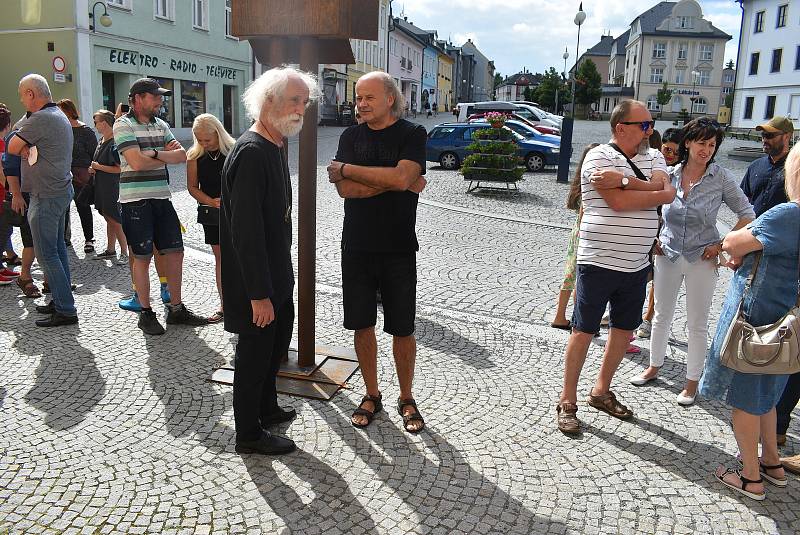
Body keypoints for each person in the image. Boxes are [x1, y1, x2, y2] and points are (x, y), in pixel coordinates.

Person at [555, 100, 676, 435]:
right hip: (597, 262)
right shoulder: (598, 156)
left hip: (637, 265)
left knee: (623, 331)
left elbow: (668, 194)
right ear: (621, 127)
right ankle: (567, 400)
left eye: (651, 124)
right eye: (644, 125)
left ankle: (601, 390)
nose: (649, 130)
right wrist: (647, 188)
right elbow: (618, 204)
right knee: (583, 331)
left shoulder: (654, 156)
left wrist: (623, 181)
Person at [221, 67, 320, 456]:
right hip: (256, 283)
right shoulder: (252, 152)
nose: (301, 108)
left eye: (304, 102)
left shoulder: (275, 144)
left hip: (276, 277)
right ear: (268, 102)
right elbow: (246, 233)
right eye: (294, 100)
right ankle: (248, 433)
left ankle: (266, 408)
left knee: (274, 347)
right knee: (253, 354)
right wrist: (259, 294)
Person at [327, 71, 428, 433]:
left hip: (399, 247)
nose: (361, 104)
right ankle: (372, 393)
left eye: (368, 97)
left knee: (403, 328)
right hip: (356, 245)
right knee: (361, 324)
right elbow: (346, 192)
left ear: (390, 98)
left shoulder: (413, 134)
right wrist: (396, 181)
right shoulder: (350, 135)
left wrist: (348, 170)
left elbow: (401, 179)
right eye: (358, 97)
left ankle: (406, 396)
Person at [699, 142, 800, 501]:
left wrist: (738, 248)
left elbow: (733, 242)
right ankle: (772, 463)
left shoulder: (789, 215)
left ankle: (750, 477)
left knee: (746, 400)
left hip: (761, 321)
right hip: (788, 322)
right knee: (768, 397)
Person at [629, 118, 755, 406]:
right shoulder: (671, 174)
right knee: (660, 315)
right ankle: (654, 366)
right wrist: (654, 238)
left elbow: (747, 213)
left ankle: (691, 382)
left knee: (697, 323)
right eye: (701, 143)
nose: (706, 150)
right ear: (688, 142)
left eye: (712, 145)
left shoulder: (720, 177)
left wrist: (721, 244)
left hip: (702, 259)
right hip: (668, 253)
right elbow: (650, 207)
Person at [113, 77, 207, 335]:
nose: (161, 101)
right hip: (135, 202)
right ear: (138, 98)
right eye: (155, 96)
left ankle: (176, 309)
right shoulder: (122, 124)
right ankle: (145, 312)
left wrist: (152, 154)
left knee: (175, 252)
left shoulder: (161, 124)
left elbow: (181, 156)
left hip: (162, 198)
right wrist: (161, 156)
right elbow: (136, 163)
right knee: (142, 257)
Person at [738, 116, 798, 447]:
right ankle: (763, 416)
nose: (765, 139)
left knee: (785, 341)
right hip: (753, 256)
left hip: (784, 263)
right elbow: (745, 210)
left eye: (771, 135)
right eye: (762, 134)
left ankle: (777, 423)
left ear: (787, 137)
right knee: (756, 335)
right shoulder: (757, 166)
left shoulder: (795, 167)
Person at [7, 74, 77, 326]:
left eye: (21, 95)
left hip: (46, 195)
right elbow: (15, 142)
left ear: (30, 94)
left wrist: (22, 144)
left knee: (48, 254)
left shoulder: (40, 119)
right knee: (57, 250)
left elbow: (11, 145)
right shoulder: (56, 114)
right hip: (56, 191)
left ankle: (66, 309)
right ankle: (60, 300)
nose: (21, 101)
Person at [187, 113, 235, 324]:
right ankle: (225, 305)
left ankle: (242, 302)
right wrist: (211, 201)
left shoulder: (234, 151)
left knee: (241, 257)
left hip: (236, 212)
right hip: (212, 214)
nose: (203, 143)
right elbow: (191, 187)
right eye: (199, 139)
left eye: (207, 139)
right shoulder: (194, 156)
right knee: (221, 259)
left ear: (218, 134)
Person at [637, 127, 684, 338]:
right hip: (646, 224)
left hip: (667, 230)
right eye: (667, 149)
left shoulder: (681, 172)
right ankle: (627, 312)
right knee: (638, 272)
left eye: (675, 152)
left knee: (659, 276)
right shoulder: (653, 165)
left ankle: (648, 318)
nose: (670, 155)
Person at [550, 143, 599, 330]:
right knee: (582, 280)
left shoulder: (579, 183)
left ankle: (560, 316)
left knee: (570, 276)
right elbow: (585, 214)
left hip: (576, 234)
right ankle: (579, 320)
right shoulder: (591, 186)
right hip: (585, 235)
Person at [2, 119, 40, 297]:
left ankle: (48, 280)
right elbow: (7, 169)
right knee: (28, 237)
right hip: (23, 195)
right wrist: (14, 194)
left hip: (39, 194)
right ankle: (25, 276)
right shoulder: (13, 139)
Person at [57, 98, 97, 253]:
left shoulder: (85, 131)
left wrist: (90, 171)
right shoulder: (59, 130)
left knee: (83, 207)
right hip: (64, 174)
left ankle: (89, 239)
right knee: (63, 208)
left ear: (69, 111)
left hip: (81, 175)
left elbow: (94, 154)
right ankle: (65, 239)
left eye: (61, 111)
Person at [88, 109, 127, 264]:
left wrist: (98, 167)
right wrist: (94, 169)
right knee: (108, 218)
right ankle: (111, 249)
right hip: (102, 185)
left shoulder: (115, 142)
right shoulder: (102, 140)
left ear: (104, 123)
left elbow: (119, 169)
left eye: (96, 122)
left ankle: (125, 252)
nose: (95, 125)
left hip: (112, 187)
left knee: (115, 219)